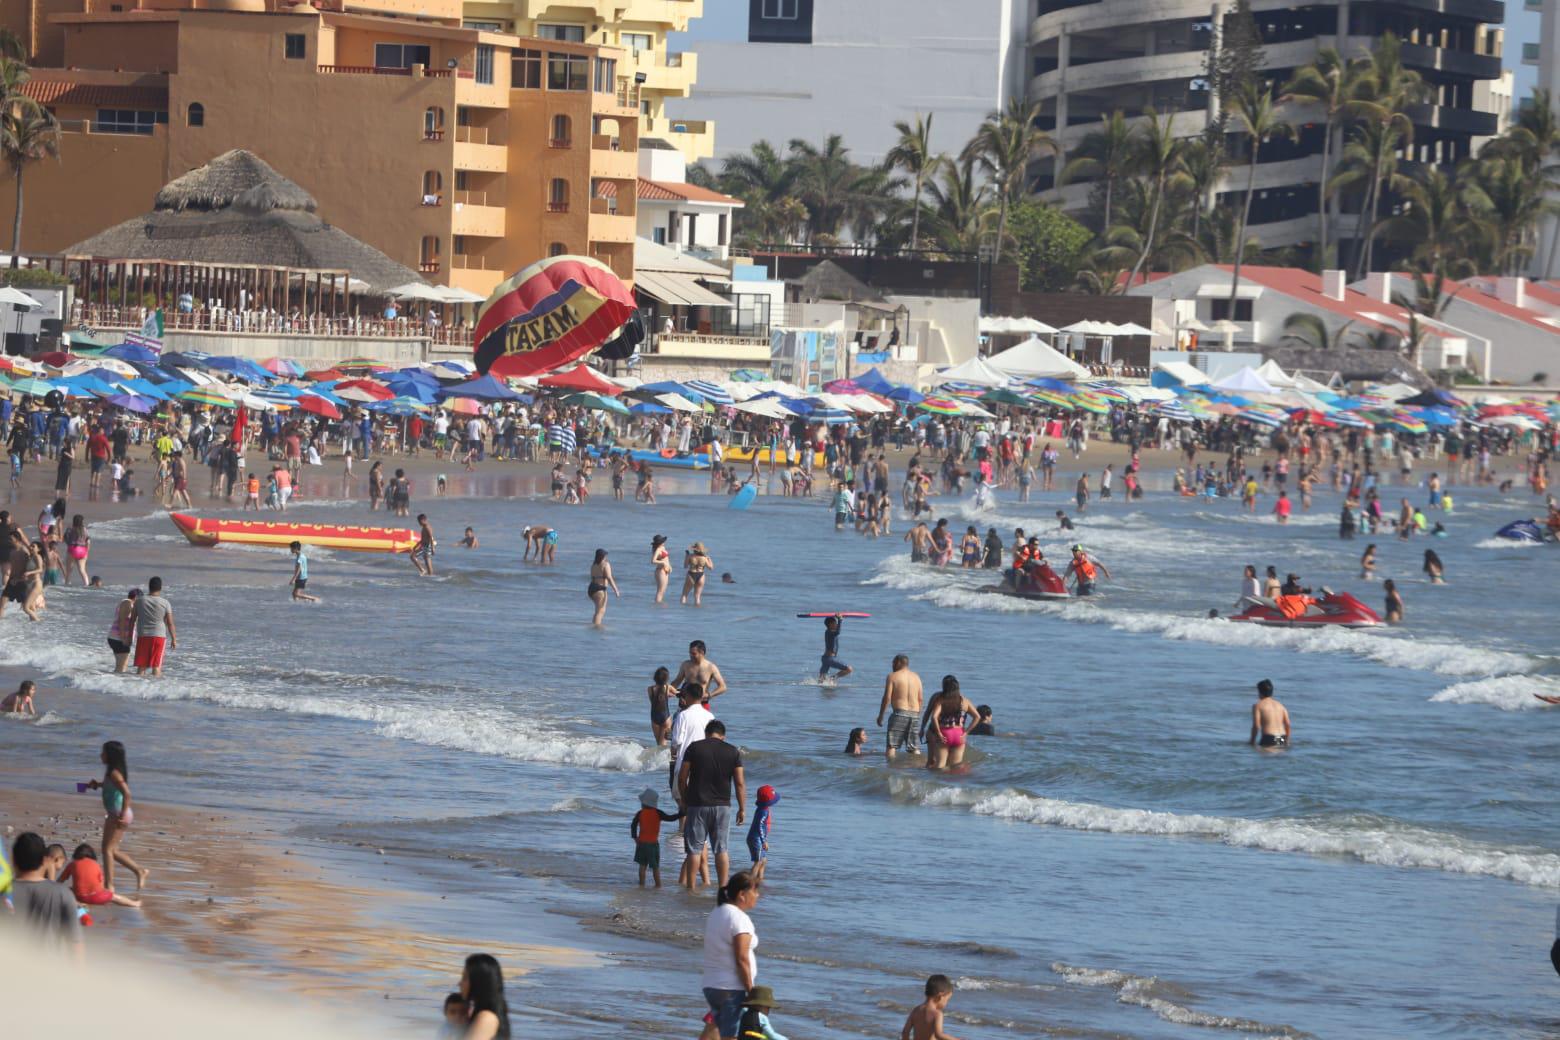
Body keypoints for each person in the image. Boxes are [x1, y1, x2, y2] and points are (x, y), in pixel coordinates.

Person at [679, 719, 746, 890]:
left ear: (706, 733)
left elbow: (682, 777)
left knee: (694, 849)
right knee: (721, 849)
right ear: (723, 736)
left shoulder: (694, 748)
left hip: (697, 804)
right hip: (723, 806)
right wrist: (742, 808)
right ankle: (723, 888)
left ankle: (691, 888)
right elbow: (739, 783)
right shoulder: (733, 752)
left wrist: (685, 799)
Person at [703, 872, 762, 1040]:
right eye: (754, 891)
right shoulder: (739, 918)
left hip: (711, 985)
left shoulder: (717, 912)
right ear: (742, 894)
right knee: (730, 1036)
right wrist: (750, 990)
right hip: (730, 988)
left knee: (717, 1032)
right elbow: (741, 958)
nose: (757, 895)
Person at [85, 740, 148, 893]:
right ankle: (139, 871)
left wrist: (122, 813)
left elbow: (127, 793)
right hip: (118, 813)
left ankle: (109, 886)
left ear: (111, 756)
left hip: (118, 814)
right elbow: (111, 787)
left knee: (106, 849)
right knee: (112, 850)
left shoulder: (114, 773)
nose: (101, 755)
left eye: (103, 753)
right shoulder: (111, 773)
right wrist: (97, 785)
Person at [8, 832, 83, 951]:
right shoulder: (63, 894)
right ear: (43, 860)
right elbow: (75, 943)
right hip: (48, 965)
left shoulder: (4, 892)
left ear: (13, 859)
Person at [920, 675, 978, 771]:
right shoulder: (964, 701)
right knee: (955, 767)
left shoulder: (939, 698)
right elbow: (977, 717)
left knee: (938, 765)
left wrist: (924, 728)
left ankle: (934, 783)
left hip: (941, 733)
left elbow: (931, 715)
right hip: (959, 734)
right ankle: (954, 785)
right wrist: (966, 732)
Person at [630, 787, 682, 888]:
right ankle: (658, 885)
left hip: (641, 844)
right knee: (655, 867)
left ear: (644, 803)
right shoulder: (658, 813)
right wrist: (681, 814)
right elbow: (670, 818)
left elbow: (633, 825)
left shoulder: (640, 813)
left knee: (642, 866)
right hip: (653, 844)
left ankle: (641, 884)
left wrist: (635, 837)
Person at [59, 844, 141, 908]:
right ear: (92, 855)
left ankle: (81, 905)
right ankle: (134, 904)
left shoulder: (72, 864)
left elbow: (60, 881)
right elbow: (100, 885)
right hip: (97, 897)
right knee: (114, 897)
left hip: (79, 897)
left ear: (76, 855)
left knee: (68, 890)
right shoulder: (96, 865)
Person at [877, 654, 923, 759]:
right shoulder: (916, 677)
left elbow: (887, 698)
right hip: (915, 714)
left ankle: (890, 770)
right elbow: (920, 699)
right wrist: (917, 715)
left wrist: (881, 716)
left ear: (899, 663)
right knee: (914, 748)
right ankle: (918, 771)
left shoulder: (892, 676)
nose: (892, 665)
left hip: (899, 713)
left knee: (891, 746)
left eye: (893, 662)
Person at [459, 953, 511, 1040]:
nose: (460, 983)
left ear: (478, 982)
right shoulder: (480, 1015)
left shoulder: (486, 1018)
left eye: (464, 978)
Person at [133, 576, 176, 677]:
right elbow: (170, 623)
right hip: (159, 637)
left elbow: (132, 620)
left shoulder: (139, 601)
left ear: (149, 587)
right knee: (156, 667)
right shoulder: (165, 603)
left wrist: (129, 635)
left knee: (141, 666)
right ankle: (154, 689)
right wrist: (174, 639)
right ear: (160, 588)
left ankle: (137, 687)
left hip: (143, 635)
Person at [901, 975, 959, 1040]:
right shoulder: (937, 1014)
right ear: (941, 997)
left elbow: (905, 1032)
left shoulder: (916, 1010)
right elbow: (939, 1035)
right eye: (947, 1000)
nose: (946, 1003)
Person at [745, 784, 778, 883]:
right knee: (758, 862)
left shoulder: (763, 809)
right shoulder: (763, 811)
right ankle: (749, 883)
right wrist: (764, 841)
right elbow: (759, 826)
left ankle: (760, 880)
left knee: (763, 861)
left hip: (758, 838)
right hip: (756, 839)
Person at [1249, 679, 1291, 749]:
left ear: (1260, 692)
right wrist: (1287, 740)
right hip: (1281, 738)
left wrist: (1252, 741)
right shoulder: (1281, 706)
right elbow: (1287, 725)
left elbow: (1256, 726)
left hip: (1269, 738)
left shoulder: (1258, 706)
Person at [108, 587, 139, 673]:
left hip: (116, 637)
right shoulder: (127, 603)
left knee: (120, 665)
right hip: (119, 638)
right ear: (136, 597)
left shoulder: (125, 602)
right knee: (122, 666)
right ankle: (115, 683)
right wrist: (123, 638)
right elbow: (121, 620)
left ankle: (112, 682)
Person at [588, 548, 621, 626]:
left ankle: (594, 624)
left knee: (597, 610)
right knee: (600, 611)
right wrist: (616, 590)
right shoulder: (605, 564)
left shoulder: (593, 565)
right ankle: (596, 627)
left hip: (592, 588)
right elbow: (609, 578)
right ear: (603, 556)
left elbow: (592, 577)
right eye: (605, 555)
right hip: (600, 589)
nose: (606, 557)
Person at [817, 614, 852, 682]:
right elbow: (838, 632)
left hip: (826, 658)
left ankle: (823, 688)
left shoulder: (829, 632)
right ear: (830, 624)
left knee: (821, 680)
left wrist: (838, 618)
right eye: (835, 623)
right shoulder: (830, 632)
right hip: (830, 659)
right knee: (849, 669)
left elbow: (837, 632)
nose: (836, 624)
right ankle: (832, 679)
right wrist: (840, 620)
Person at [648, 666, 676, 746]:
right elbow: (677, 693)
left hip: (654, 717)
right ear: (666, 678)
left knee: (659, 744)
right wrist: (669, 695)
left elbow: (653, 702)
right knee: (663, 744)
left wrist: (666, 695)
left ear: (655, 677)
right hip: (665, 717)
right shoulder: (668, 687)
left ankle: (658, 758)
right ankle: (667, 758)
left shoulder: (650, 689)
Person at [683, 542, 713, 606]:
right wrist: (709, 559)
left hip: (691, 574)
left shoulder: (690, 556)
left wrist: (686, 556)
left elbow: (685, 566)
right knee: (697, 596)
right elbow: (711, 568)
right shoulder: (704, 558)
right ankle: (697, 613)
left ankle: (682, 611)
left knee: (684, 595)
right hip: (701, 575)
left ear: (694, 549)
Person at [62, 515, 90, 586]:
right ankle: (87, 585)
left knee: (69, 571)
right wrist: (86, 552)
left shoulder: (70, 528)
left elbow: (64, 539)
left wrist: (69, 544)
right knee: (82, 570)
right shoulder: (84, 529)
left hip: (73, 549)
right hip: (83, 550)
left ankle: (66, 585)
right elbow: (88, 541)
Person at [651, 534, 672, 603]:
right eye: (663, 541)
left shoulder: (663, 548)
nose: (664, 542)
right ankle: (657, 604)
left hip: (665, 570)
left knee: (663, 590)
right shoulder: (658, 549)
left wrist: (670, 566)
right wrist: (662, 563)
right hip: (660, 571)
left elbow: (666, 558)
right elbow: (653, 561)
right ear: (659, 543)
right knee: (660, 590)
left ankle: (659, 605)